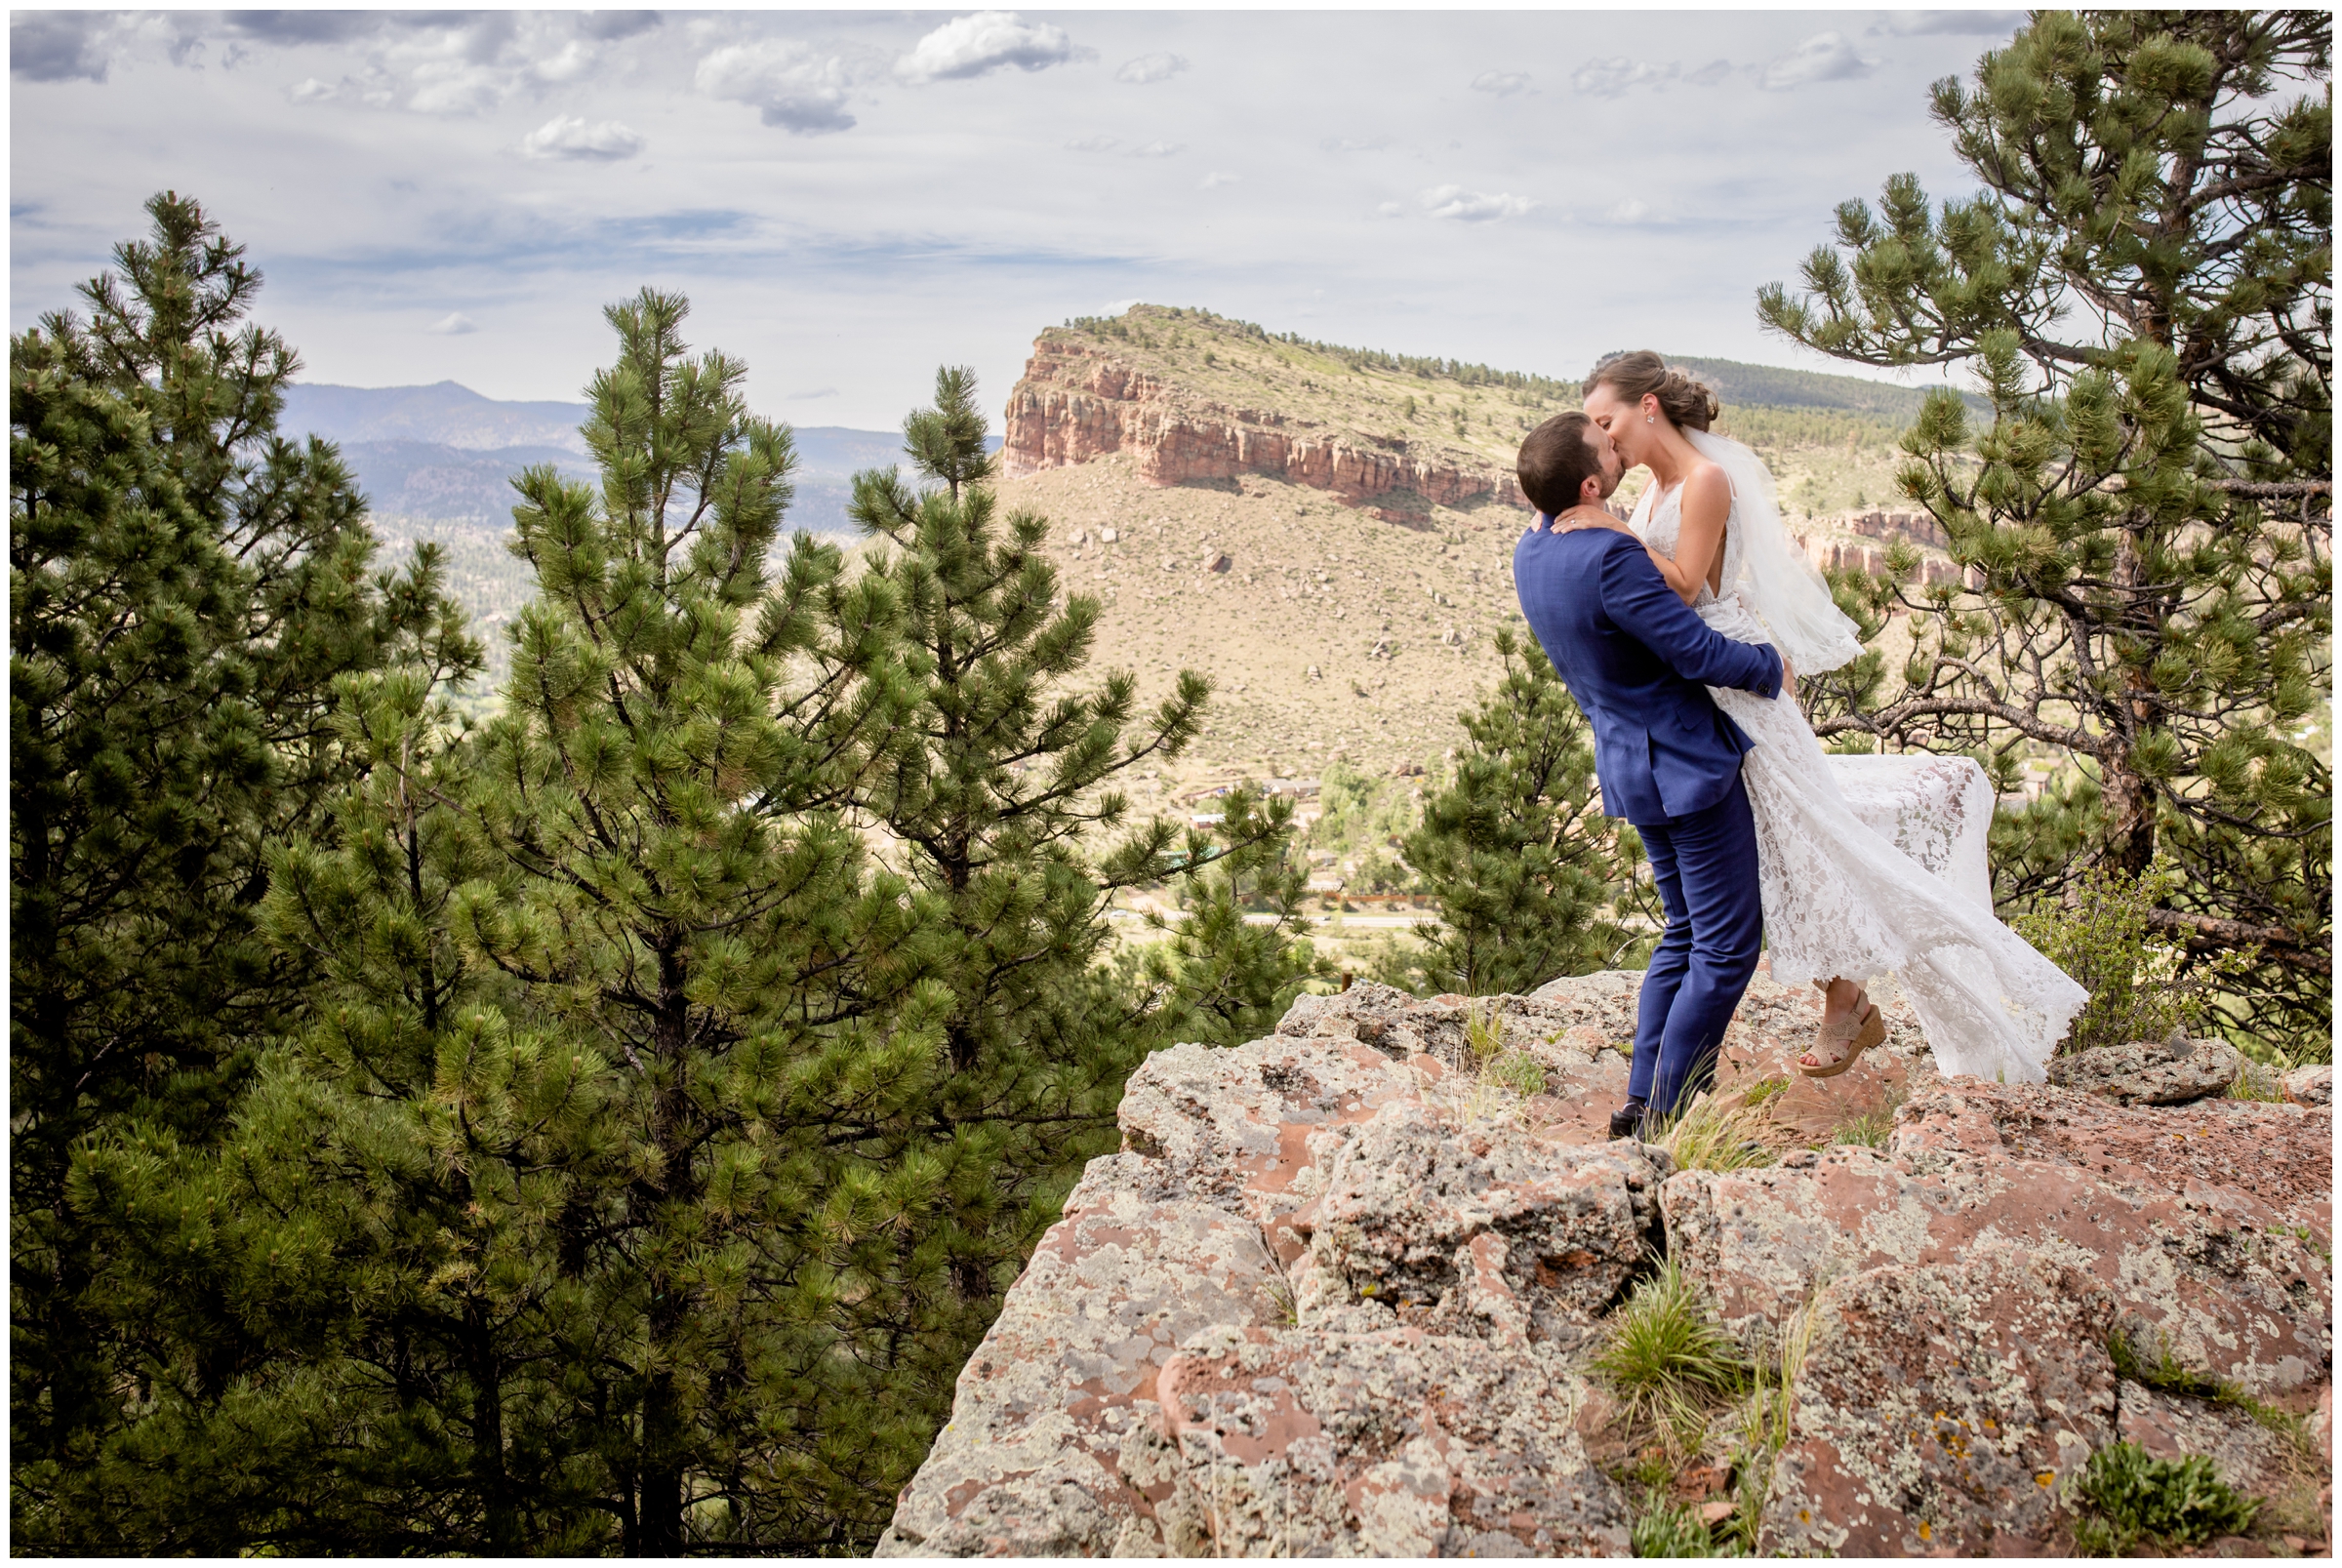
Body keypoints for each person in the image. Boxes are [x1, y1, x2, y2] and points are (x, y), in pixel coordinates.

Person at [1575, 350, 2085, 1085]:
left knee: (1799, 843)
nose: (1602, 436)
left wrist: (1605, 532)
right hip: (1702, 685)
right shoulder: (1654, 489)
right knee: (1774, 850)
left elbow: (1684, 588)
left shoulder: (1705, 481)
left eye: (1607, 418)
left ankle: (1851, 997)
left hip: (1737, 684)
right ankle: (1844, 994)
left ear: (1646, 407)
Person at [1513, 410, 1787, 1137]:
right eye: (1604, 443)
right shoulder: (1609, 558)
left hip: (1627, 761)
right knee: (1727, 945)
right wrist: (1769, 668)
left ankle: (1640, 1100)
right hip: (1685, 761)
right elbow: (1692, 650)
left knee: (1683, 932)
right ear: (1593, 481)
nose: (1615, 439)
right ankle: (1664, 1114)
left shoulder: (1530, 552)